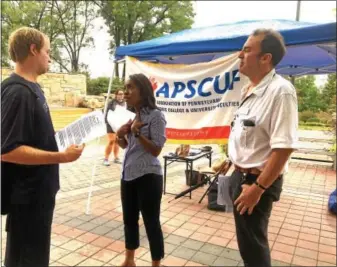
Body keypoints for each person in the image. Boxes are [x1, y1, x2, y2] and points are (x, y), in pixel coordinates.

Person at [1, 27, 85, 267]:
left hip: (37, 195)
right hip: (28, 199)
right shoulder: (18, 92)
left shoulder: (32, 88)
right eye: (48, 51)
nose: (50, 56)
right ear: (33, 49)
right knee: (29, 259)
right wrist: (62, 156)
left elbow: (31, 136)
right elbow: (8, 150)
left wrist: (58, 138)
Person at [228, 29, 298, 267]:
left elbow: (284, 148)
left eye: (247, 50)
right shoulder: (250, 89)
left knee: (254, 248)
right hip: (241, 177)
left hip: (256, 182)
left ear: (265, 58)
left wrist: (257, 189)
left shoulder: (281, 91)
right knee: (248, 245)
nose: (240, 54)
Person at [116, 74, 166, 267]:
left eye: (130, 88)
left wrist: (137, 133)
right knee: (129, 219)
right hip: (127, 175)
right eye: (125, 88)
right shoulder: (133, 117)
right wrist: (120, 136)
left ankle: (156, 264)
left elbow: (156, 150)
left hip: (148, 176)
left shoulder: (156, 116)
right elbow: (128, 147)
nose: (126, 92)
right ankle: (129, 260)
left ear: (143, 91)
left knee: (151, 222)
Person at [103, 89, 126, 165]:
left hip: (119, 125)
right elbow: (106, 113)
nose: (121, 95)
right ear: (116, 95)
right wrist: (107, 122)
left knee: (117, 141)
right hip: (110, 124)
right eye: (119, 94)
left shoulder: (125, 103)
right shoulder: (111, 103)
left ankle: (116, 157)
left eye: (122, 94)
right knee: (111, 141)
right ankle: (106, 159)